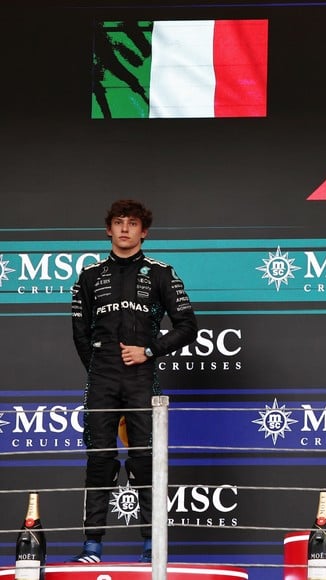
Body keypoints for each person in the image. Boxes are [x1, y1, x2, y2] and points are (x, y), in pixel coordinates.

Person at [70, 199, 197, 563]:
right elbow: (79, 334)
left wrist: (149, 351)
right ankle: (91, 546)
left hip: (143, 377)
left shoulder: (161, 273)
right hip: (102, 378)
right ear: (108, 229)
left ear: (145, 232)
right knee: (99, 459)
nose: (125, 229)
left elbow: (188, 326)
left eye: (133, 223)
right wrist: (99, 368)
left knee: (145, 459)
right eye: (119, 222)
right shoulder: (90, 276)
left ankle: (151, 546)